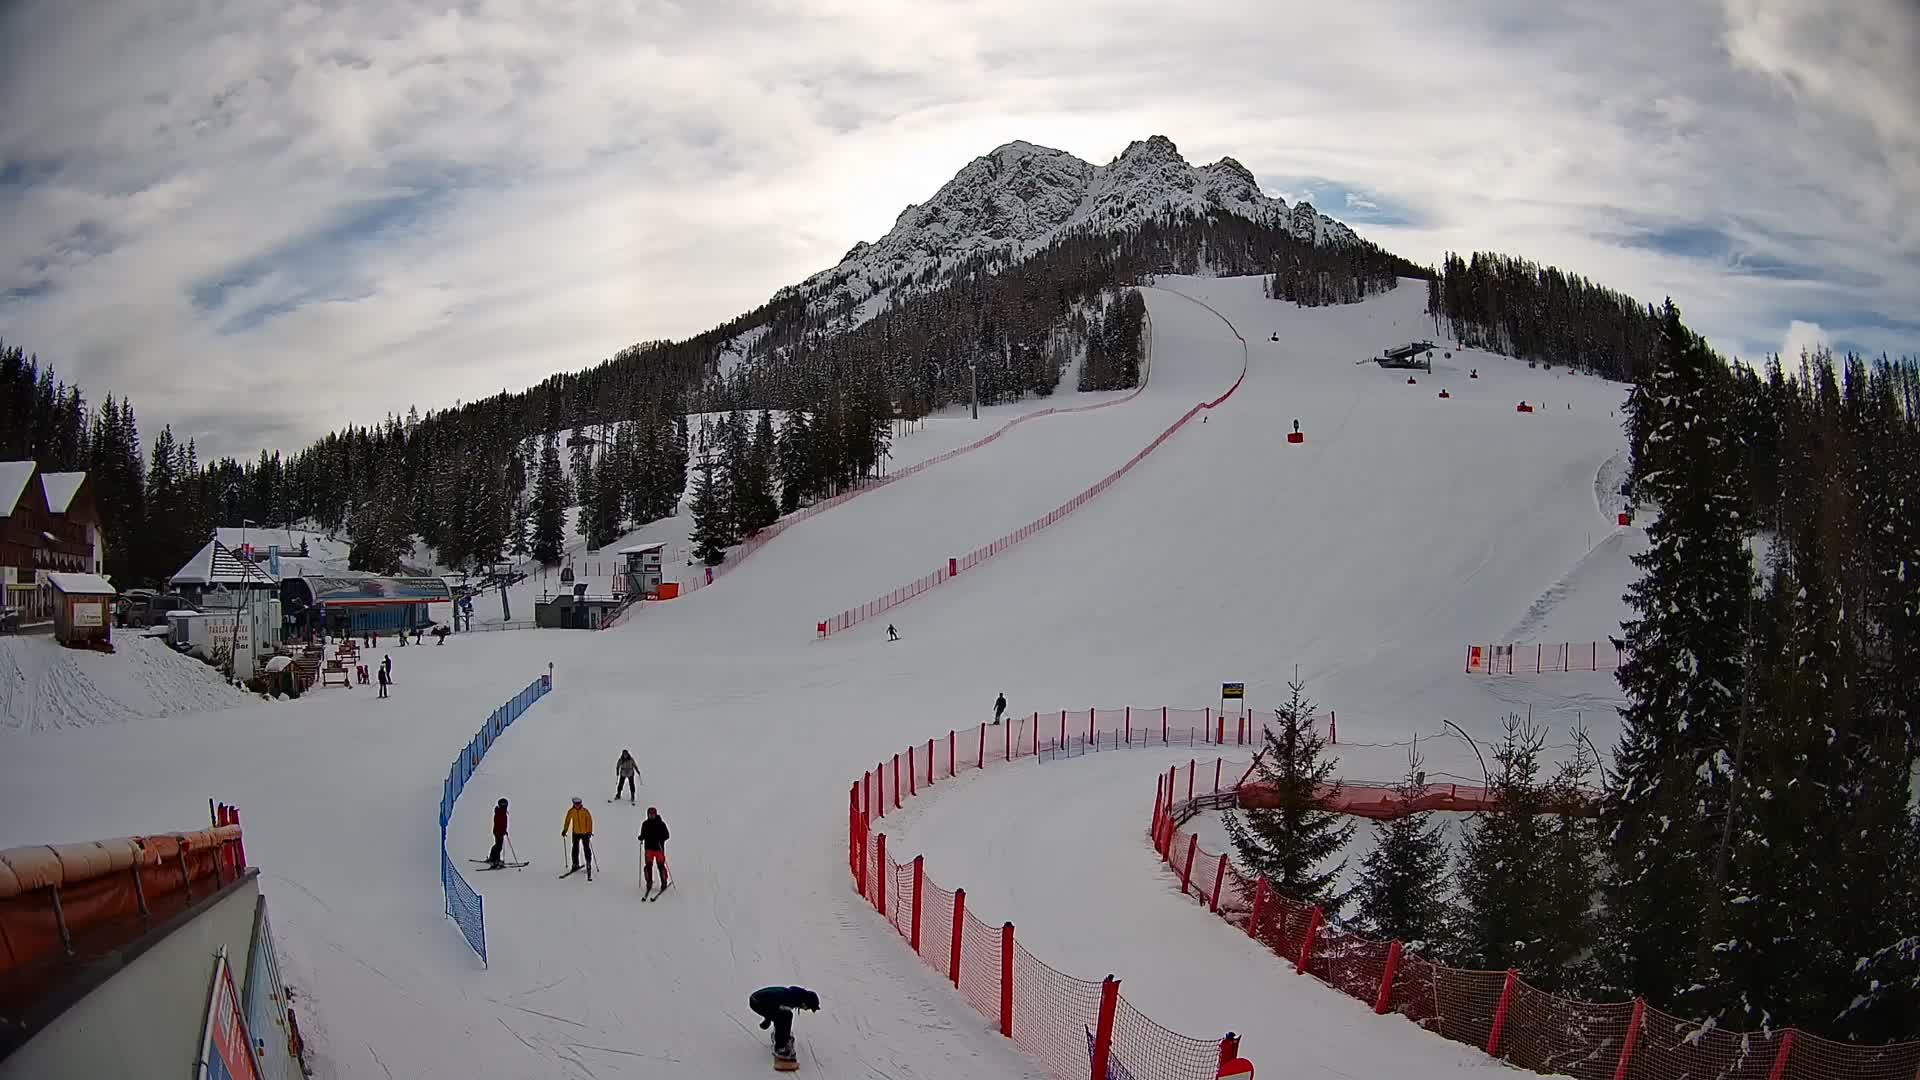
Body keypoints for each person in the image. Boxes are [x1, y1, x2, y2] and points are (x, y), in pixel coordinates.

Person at [748, 986, 820, 1058]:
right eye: (808, 1008)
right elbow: (772, 1006)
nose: (807, 1009)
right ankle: (780, 1048)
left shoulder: (796, 995)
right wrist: (767, 1020)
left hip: (759, 999)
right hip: (756, 1002)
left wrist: (768, 1019)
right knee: (782, 1018)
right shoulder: (792, 999)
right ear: (805, 1003)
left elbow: (774, 1004)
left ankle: (784, 1037)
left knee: (786, 1015)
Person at [639, 806, 670, 895]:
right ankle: (649, 882)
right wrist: (641, 837)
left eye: (653, 815)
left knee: (661, 866)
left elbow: (667, 835)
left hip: (659, 849)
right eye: (650, 815)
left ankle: (664, 881)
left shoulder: (661, 824)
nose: (651, 816)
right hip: (648, 849)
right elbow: (643, 834)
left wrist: (661, 839)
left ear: (656, 815)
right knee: (648, 866)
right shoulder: (645, 824)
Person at [562, 797, 594, 873]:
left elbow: (589, 821)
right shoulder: (571, 811)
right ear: (573, 804)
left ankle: (588, 863)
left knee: (586, 849)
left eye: (579, 803)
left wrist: (589, 832)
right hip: (576, 833)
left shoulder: (585, 811)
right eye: (576, 804)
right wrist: (565, 830)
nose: (577, 805)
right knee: (575, 849)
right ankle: (575, 864)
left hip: (585, 833)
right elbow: (567, 821)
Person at [488, 798, 509, 868]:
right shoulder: (499, 813)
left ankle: (492, 857)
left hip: (500, 832)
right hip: (498, 832)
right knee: (499, 847)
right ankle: (496, 861)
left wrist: (504, 831)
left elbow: (503, 824)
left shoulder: (502, 812)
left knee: (497, 845)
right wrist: (502, 831)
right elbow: (498, 824)